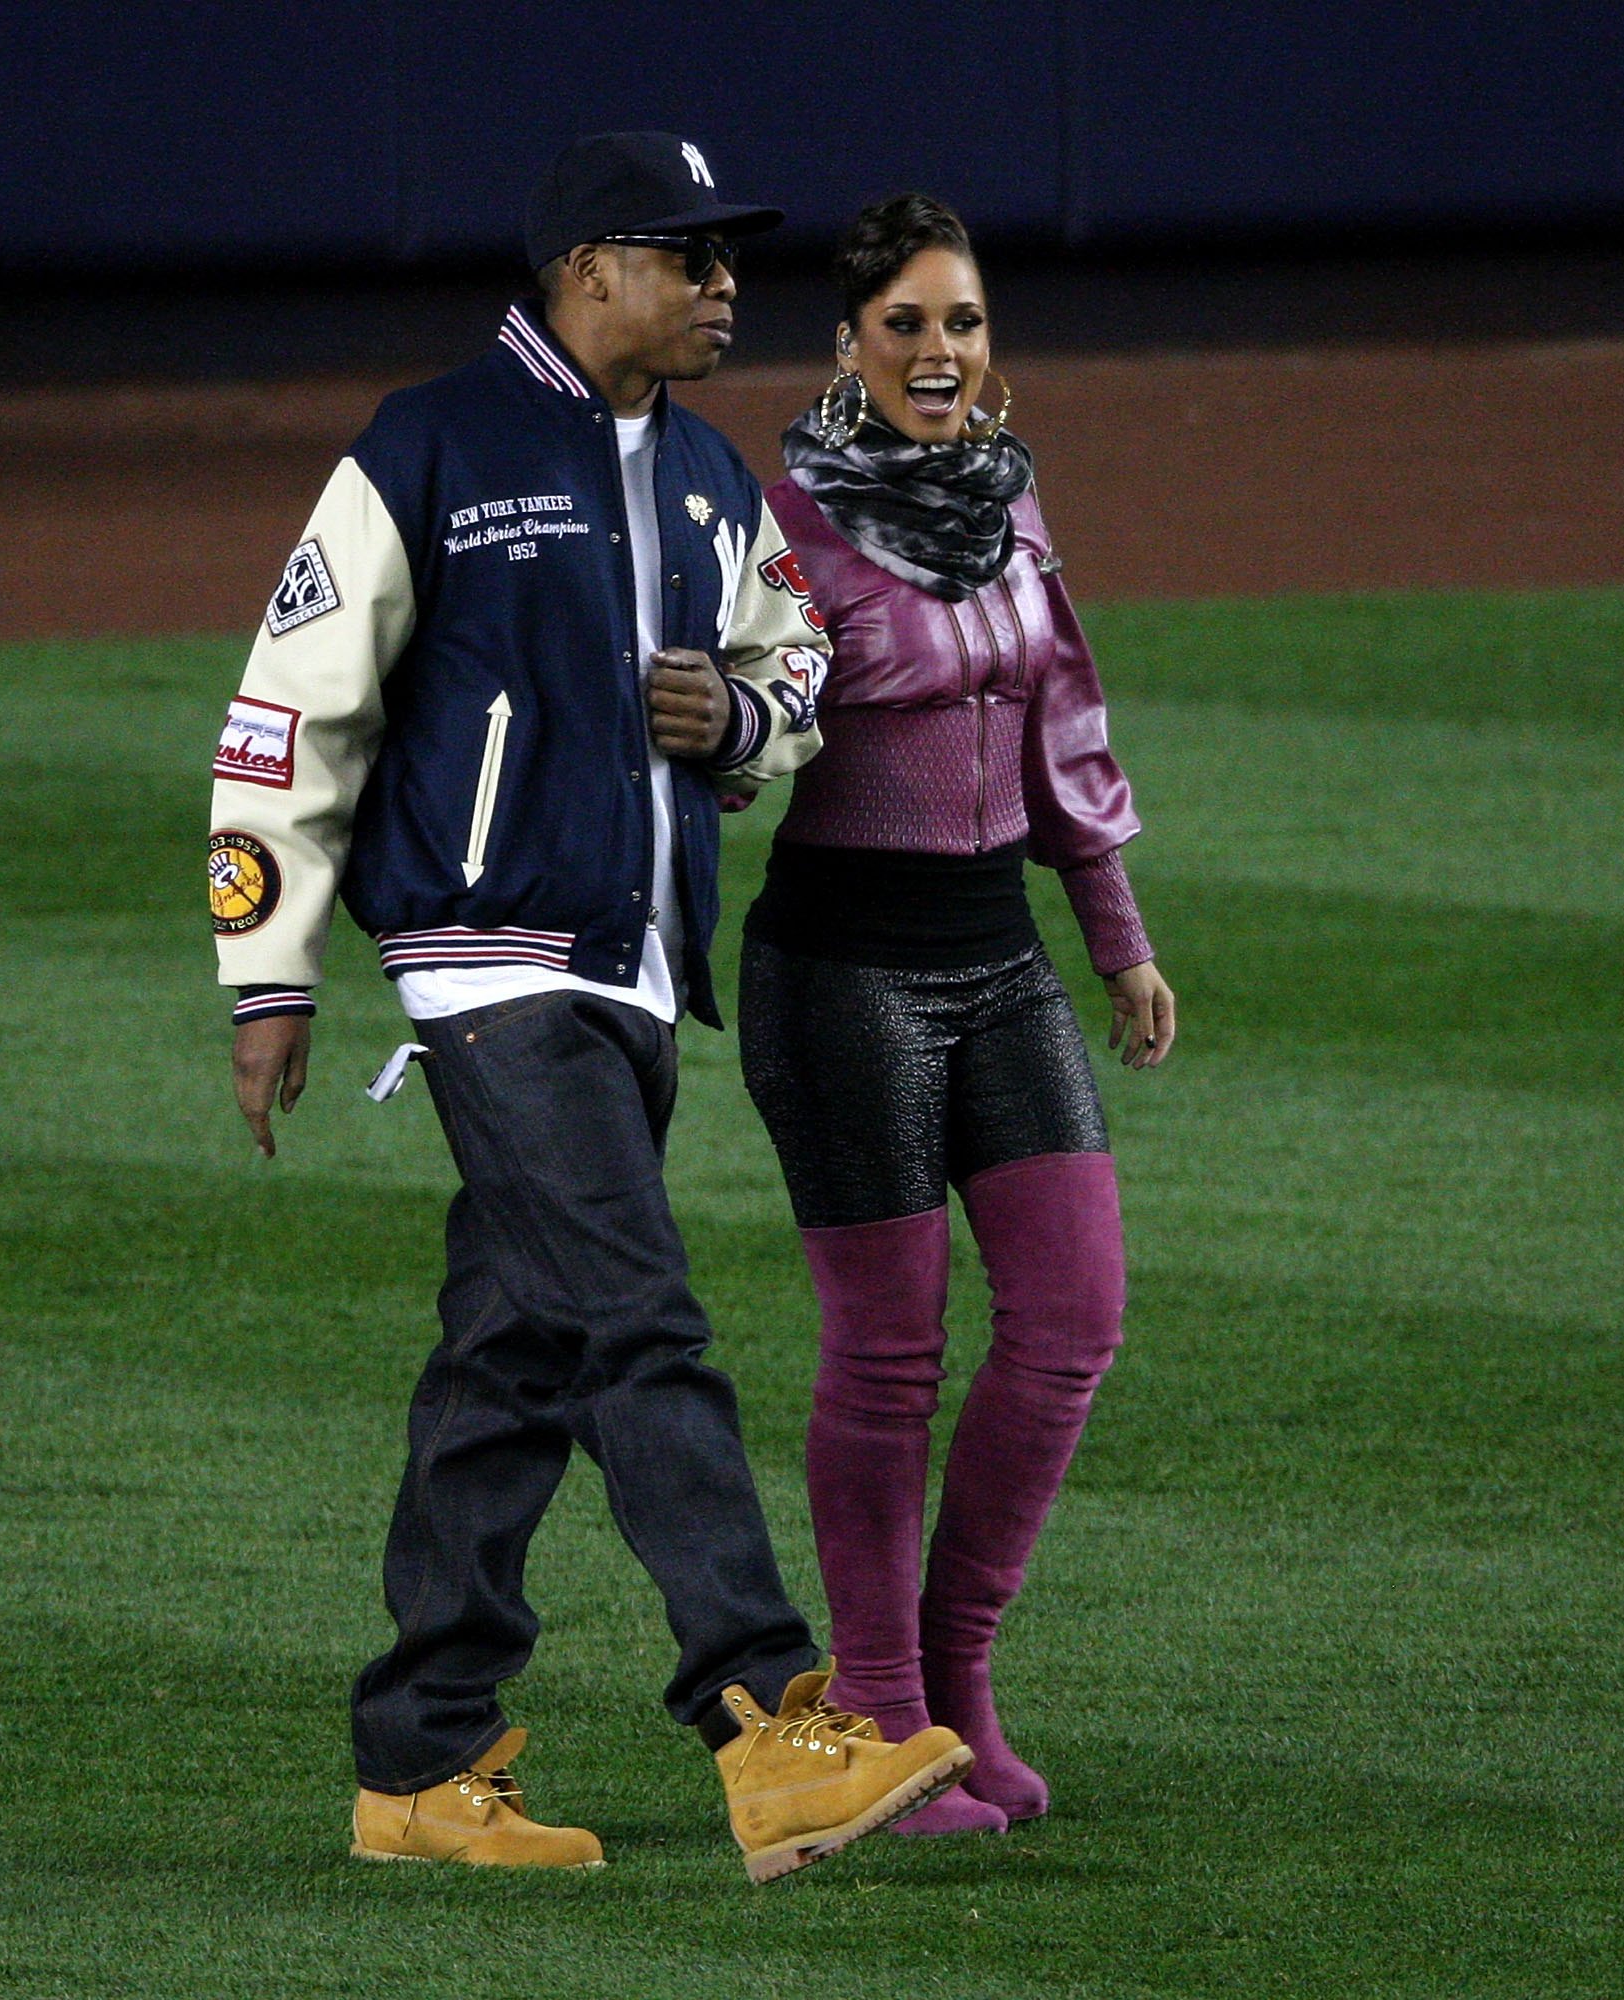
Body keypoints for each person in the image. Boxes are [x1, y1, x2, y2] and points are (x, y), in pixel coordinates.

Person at [207, 133, 971, 1884]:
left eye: (724, 258)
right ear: (581, 270)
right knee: (642, 1322)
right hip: (486, 971)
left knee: (513, 1362)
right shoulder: (431, 446)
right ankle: (770, 1716)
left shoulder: (711, 476)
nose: (721, 284)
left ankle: (421, 1759)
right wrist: (271, 974)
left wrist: (746, 723)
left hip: (631, 979)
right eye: (684, 254)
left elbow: (802, 672)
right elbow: (288, 709)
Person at [740, 193, 1178, 1836]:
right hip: (842, 970)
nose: (941, 353)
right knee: (890, 1352)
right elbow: (741, 750)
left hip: (1000, 958)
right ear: (849, 342)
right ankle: (876, 1713)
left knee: (1071, 1321)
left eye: (966, 323)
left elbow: (1064, 716)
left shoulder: (1011, 500)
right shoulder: (784, 529)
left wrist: (1117, 937)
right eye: (908, 324)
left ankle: (951, 1677)